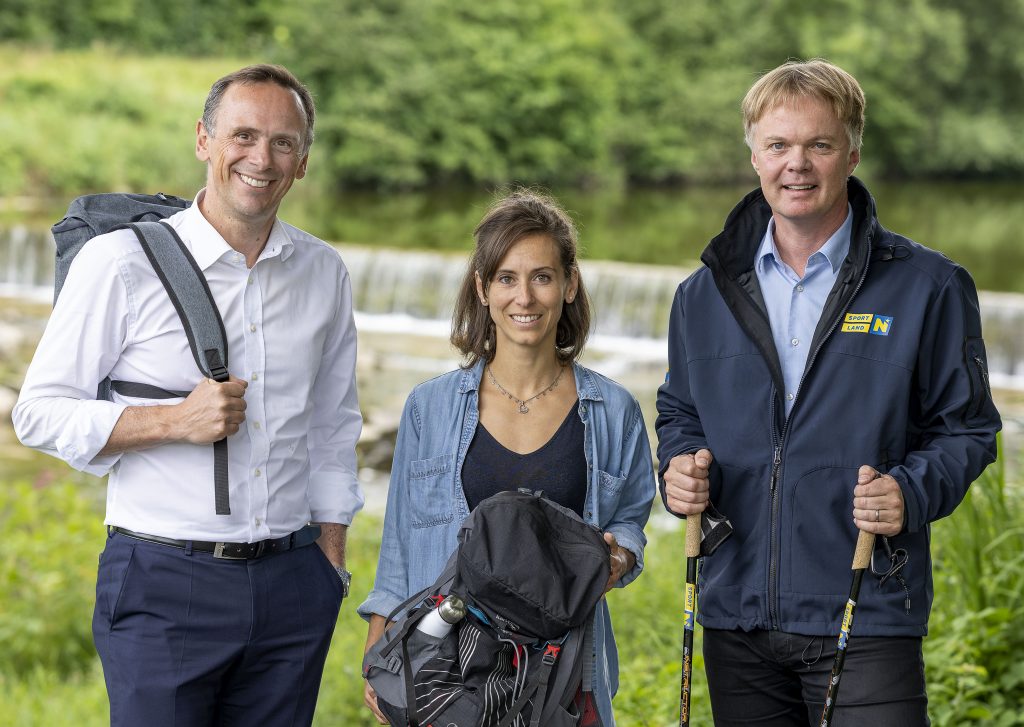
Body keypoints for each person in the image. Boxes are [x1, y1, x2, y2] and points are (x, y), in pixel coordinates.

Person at [13, 64, 362, 726]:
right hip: (164, 581)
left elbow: (332, 424)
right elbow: (37, 412)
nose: (261, 158)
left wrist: (329, 564)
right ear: (204, 140)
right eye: (243, 135)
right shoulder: (119, 263)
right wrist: (174, 419)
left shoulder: (323, 272)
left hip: (294, 583)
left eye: (283, 142)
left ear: (304, 161)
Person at [655, 59, 1001, 725]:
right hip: (736, 611)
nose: (798, 165)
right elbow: (680, 411)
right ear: (753, 153)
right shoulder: (702, 294)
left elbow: (968, 430)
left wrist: (909, 490)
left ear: (853, 152)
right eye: (779, 145)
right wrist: (678, 466)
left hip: (867, 605)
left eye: (819, 144)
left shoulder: (928, 286)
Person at [358, 190, 655, 727]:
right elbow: (400, 544)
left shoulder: (613, 410)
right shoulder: (429, 407)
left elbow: (631, 519)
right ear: (482, 288)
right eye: (506, 278)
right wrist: (381, 653)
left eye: (543, 276)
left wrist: (621, 557)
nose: (525, 296)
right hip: (447, 670)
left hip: (563, 672)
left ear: (569, 286)